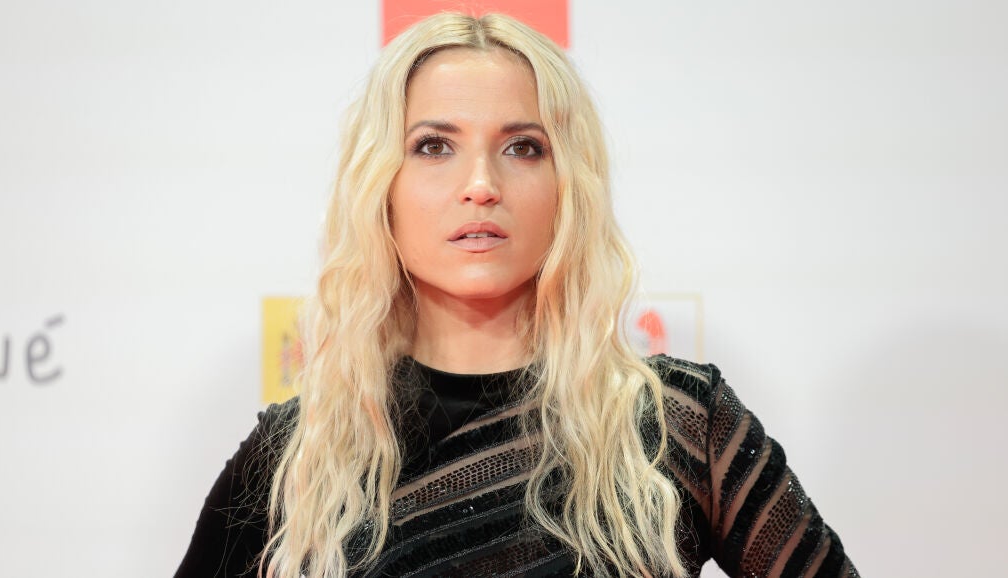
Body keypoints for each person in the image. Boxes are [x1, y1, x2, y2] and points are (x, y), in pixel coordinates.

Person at [176, 12, 857, 578]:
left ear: (568, 188)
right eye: (434, 147)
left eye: (523, 148)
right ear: (381, 188)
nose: (481, 184)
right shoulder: (297, 460)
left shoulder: (678, 424)